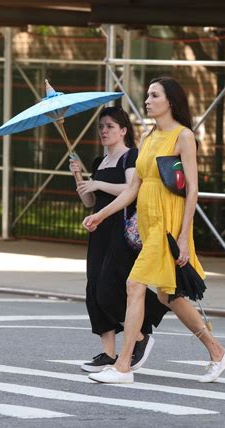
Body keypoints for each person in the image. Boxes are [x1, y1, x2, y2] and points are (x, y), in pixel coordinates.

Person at [83, 77, 225, 384]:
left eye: (154, 95)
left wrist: (183, 236)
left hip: (169, 224)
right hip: (148, 222)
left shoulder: (183, 136)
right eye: (148, 96)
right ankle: (217, 351)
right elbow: (132, 190)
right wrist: (100, 214)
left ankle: (123, 366)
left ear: (170, 101)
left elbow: (192, 190)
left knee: (134, 285)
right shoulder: (149, 137)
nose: (147, 100)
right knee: (169, 297)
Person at [70, 106, 169, 374]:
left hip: (120, 229)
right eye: (101, 127)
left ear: (123, 130)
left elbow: (131, 190)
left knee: (109, 288)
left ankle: (139, 336)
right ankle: (109, 353)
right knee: (94, 289)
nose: (104, 131)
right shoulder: (98, 162)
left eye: (110, 126)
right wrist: (80, 177)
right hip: (98, 228)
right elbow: (90, 201)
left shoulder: (130, 157)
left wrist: (99, 184)